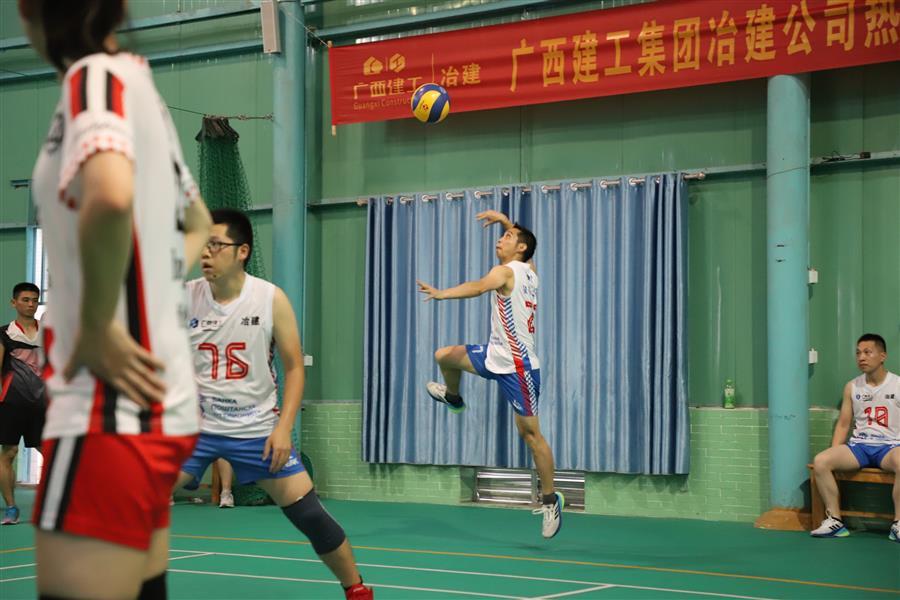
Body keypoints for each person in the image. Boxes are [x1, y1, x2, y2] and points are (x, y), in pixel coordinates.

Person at [20, 0, 214, 597]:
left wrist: (100, 324)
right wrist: (146, 286)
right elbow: (198, 223)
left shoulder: (95, 77)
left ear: (30, 14)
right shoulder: (140, 87)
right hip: (155, 401)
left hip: (109, 408)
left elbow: (108, 195)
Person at [174, 209, 374, 600]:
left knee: (310, 515)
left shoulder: (269, 298)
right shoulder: (184, 297)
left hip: (256, 431)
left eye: (216, 245)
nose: (206, 253)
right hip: (197, 429)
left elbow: (294, 367)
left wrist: (284, 428)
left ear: (242, 251)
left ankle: (357, 590)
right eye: (203, 245)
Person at [417, 209, 563, 539]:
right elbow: (525, 247)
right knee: (444, 356)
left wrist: (441, 293)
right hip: (494, 355)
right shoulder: (530, 271)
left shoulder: (506, 271)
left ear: (520, 248)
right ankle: (454, 398)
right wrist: (505, 222)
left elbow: (478, 286)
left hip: (519, 368)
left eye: (507, 237)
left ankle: (551, 501)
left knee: (531, 436)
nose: (500, 240)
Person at [811, 333, 900, 542]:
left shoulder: (897, 384)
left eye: (868, 352)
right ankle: (835, 521)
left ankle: (898, 523)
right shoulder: (852, 386)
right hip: (859, 446)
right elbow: (844, 423)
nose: (861, 357)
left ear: (882, 356)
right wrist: (834, 450)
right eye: (858, 353)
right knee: (821, 461)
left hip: (890, 447)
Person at [0, 282, 44, 525]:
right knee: (9, 453)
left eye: (34, 300)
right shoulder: (5, 333)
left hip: (42, 403)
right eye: (25, 300)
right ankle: (11, 508)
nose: (30, 304)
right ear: (14, 302)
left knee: (51, 451)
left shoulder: (47, 333)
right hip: (12, 403)